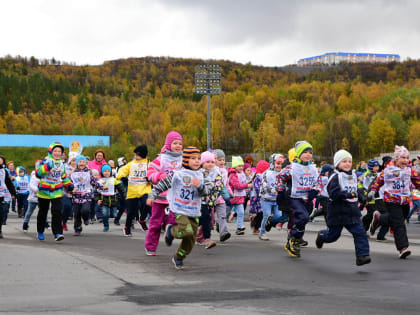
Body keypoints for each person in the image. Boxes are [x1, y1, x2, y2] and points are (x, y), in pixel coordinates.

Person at [147, 146, 212, 269]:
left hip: (194, 211)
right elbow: (162, 184)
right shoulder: (178, 174)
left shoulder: (202, 175)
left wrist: (200, 186)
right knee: (186, 230)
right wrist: (153, 195)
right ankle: (171, 230)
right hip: (180, 209)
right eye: (193, 158)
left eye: (199, 158)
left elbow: (207, 191)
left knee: (191, 240)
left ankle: (178, 257)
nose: (197, 161)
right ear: (186, 160)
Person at [315, 150, 371, 266]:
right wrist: (345, 194)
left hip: (352, 211)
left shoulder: (353, 175)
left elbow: (356, 190)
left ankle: (362, 256)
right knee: (333, 236)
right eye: (344, 161)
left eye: (349, 161)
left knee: (360, 232)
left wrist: (362, 198)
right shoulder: (335, 176)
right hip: (338, 211)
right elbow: (333, 193)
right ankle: (322, 236)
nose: (347, 164)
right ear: (337, 163)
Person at [369, 146, 420, 259]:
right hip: (391, 199)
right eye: (403, 158)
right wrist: (373, 190)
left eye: (407, 158)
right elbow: (379, 180)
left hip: (405, 200)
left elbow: (417, 181)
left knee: (400, 218)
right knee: (398, 223)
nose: (406, 160)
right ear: (396, 159)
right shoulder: (389, 170)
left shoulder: (409, 169)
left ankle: (379, 219)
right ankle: (403, 248)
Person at [277, 141, 319, 258]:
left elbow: (319, 182)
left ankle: (296, 238)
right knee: (303, 217)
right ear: (299, 154)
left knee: (304, 218)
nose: (308, 154)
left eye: (310, 152)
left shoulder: (313, 168)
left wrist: (314, 191)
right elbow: (280, 177)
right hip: (294, 197)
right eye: (305, 152)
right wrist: (280, 192)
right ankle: (293, 238)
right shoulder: (292, 168)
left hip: (307, 198)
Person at [144, 131, 183, 256]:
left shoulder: (184, 160)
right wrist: (160, 176)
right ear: (168, 144)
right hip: (160, 197)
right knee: (155, 223)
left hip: (176, 198)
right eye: (175, 143)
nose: (178, 146)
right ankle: (150, 247)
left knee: (175, 220)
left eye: (180, 143)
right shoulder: (161, 159)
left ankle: (169, 230)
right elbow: (149, 174)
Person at [36, 142, 74, 241]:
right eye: (55, 151)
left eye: (59, 151)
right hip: (44, 191)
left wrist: (69, 184)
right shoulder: (45, 161)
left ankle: (57, 233)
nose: (57, 153)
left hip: (56, 191)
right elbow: (38, 174)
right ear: (51, 151)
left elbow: (64, 176)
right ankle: (40, 231)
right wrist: (47, 167)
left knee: (57, 212)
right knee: (42, 212)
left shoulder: (62, 164)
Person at [116, 145, 152, 236]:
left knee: (148, 203)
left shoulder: (149, 164)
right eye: (135, 155)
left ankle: (142, 219)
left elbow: (154, 173)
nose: (135, 157)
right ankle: (127, 228)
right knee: (131, 212)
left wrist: (150, 178)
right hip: (132, 191)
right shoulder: (131, 164)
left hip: (145, 189)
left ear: (143, 155)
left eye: (137, 155)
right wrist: (120, 176)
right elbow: (122, 171)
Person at [71, 155, 103, 236]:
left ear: (85, 163)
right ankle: (77, 229)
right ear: (77, 163)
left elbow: (94, 181)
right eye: (80, 162)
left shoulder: (88, 172)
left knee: (85, 210)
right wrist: (70, 189)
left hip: (86, 195)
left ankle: (86, 218)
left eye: (83, 162)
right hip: (76, 196)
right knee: (77, 213)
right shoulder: (73, 173)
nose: (81, 163)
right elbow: (69, 183)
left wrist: (101, 187)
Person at [259, 154, 286, 241]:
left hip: (276, 200)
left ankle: (271, 224)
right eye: (278, 163)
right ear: (272, 163)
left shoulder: (282, 173)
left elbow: (284, 185)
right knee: (267, 215)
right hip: (266, 199)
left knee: (279, 216)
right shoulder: (267, 173)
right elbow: (264, 185)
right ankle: (262, 232)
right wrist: (274, 190)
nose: (279, 166)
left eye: (281, 164)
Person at [96, 164, 126, 232]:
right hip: (104, 200)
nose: (106, 172)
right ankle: (106, 225)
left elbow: (121, 188)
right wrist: (97, 199)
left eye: (108, 171)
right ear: (102, 172)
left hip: (113, 200)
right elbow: (96, 192)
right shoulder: (100, 181)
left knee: (114, 214)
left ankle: (111, 217)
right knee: (105, 213)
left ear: (110, 172)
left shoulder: (114, 180)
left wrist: (124, 195)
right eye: (105, 171)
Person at [228, 156, 253, 235]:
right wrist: (247, 185)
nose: (241, 167)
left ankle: (239, 227)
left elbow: (245, 181)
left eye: (242, 166)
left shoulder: (242, 173)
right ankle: (220, 224)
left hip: (239, 198)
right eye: (239, 166)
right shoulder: (233, 175)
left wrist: (249, 182)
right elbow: (237, 185)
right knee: (226, 212)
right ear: (235, 166)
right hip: (232, 197)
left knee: (241, 212)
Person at [213, 149, 232, 242]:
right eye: (219, 160)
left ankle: (223, 233)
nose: (222, 162)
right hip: (211, 198)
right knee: (208, 218)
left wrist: (230, 193)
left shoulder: (225, 171)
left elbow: (226, 184)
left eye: (223, 160)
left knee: (223, 215)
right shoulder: (211, 170)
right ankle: (201, 235)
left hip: (221, 198)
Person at [359, 159, 381, 232]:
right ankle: (363, 226)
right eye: (375, 166)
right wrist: (365, 197)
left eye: (378, 166)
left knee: (373, 214)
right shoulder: (368, 175)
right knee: (371, 214)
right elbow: (364, 186)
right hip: (369, 197)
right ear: (371, 167)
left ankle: (364, 229)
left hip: (376, 198)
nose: (377, 168)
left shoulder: (377, 174)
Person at [249, 160, 270, 235]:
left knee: (261, 213)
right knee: (260, 213)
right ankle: (256, 227)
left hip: (261, 198)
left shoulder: (262, 176)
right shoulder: (258, 177)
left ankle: (256, 225)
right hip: (258, 198)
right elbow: (257, 188)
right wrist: (263, 193)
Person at [0, 155, 17, 238]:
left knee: (1, 213)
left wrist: (13, 193)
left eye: (1, 161)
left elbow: (9, 183)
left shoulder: (4, 171)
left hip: (1, 195)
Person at [114, 157, 128, 225]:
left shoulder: (128, 169)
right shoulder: (116, 170)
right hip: (118, 191)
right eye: (123, 161)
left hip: (126, 190)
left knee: (124, 207)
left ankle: (117, 219)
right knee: (118, 206)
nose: (125, 162)